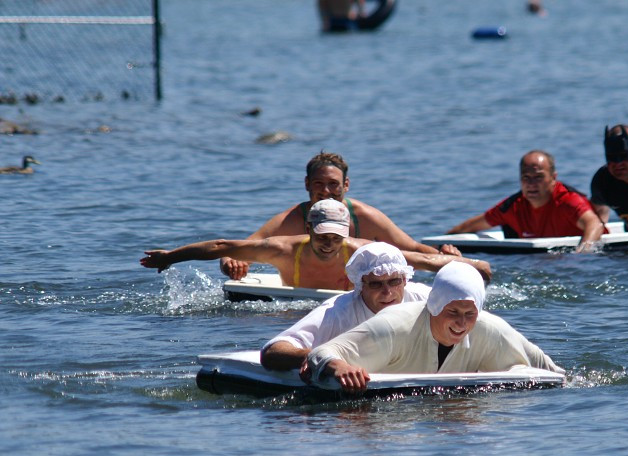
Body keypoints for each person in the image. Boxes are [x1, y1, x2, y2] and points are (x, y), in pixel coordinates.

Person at [306, 261, 564, 393]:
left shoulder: (490, 329)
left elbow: (552, 372)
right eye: (452, 312)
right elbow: (320, 352)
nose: (461, 323)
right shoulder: (393, 326)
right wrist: (339, 366)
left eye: (469, 314)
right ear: (434, 306)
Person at [141, 200, 491, 290]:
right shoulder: (281, 249)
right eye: (321, 235)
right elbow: (221, 246)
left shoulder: (360, 250)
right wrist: (172, 257)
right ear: (309, 227)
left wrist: (476, 268)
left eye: (334, 237)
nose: (327, 243)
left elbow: (420, 260)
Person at [220, 151, 458, 281]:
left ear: (346, 185)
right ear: (306, 184)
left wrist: (447, 258)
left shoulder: (365, 217)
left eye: (333, 184)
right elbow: (240, 248)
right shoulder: (291, 219)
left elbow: (412, 247)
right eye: (318, 184)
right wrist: (232, 262)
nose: (325, 191)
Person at [260, 242, 431, 371]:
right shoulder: (337, 311)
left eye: (394, 281)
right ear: (360, 285)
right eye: (376, 284)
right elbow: (272, 351)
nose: (388, 292)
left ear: (405, 279)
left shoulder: (426, 299)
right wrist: (326, 360)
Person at [446, 150, 605, 253]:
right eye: (526, 178)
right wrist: (440, 246)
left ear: (553, 178)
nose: (531, 184)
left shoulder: (567, 200)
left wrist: (582, 253)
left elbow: (594, 225)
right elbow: (469, 227)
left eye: (538, 177)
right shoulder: (513, 206)